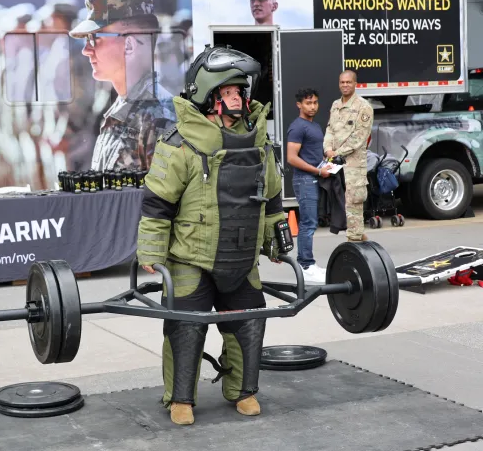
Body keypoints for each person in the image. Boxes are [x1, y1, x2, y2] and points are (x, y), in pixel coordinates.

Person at [136, 45, 287, 426]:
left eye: (241, 92)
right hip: (191, 259)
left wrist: (275, 241)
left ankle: (243, 391)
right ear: (209, 96)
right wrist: (151, 251)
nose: (238, 98)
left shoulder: (260, 142)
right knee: (186, 328)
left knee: (249, 322)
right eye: (230, 93)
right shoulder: (181, 143)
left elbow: (270, 196)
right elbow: (157, 203)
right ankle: (181, 399)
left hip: (241, 257)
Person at [69, 0, 176, 172]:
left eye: (94, 38)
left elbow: (164, 201)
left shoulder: (162, 119)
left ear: (128, 46)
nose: (86, 50)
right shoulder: (122, 109)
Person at [324, 70, 374, 242]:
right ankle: (358, 238)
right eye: (342, 82)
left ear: (355, 84)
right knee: (339, 201)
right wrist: (327, 149)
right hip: (336, 163)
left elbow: (359, 138)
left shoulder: (364, 107)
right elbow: (330, 129)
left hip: (353, 165)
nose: (345, 85)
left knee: (354, 201)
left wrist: (336, 153)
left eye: (348, 82)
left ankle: (355, 240)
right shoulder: (335, 105)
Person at [286, 88, 331, 281]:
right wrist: (318, 171)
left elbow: (312, 155)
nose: (312, 106)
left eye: (315, 103)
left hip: (313, 178)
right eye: (308, 103)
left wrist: (325, 162)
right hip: (305, 180)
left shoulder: (315, 126)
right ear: (299, 105)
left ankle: (309, 264)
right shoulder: (298, 127)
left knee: (311, 222)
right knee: (308, 223)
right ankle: (305, 266)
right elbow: (291, 158)